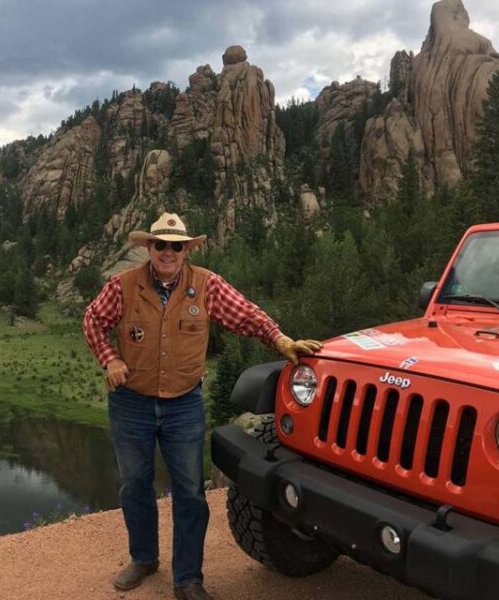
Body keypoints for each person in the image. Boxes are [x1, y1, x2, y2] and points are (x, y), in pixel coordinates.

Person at [82, 212, 323, 600]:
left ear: (186, 250)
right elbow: (93, 320)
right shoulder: (122, 286)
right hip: (131, 403)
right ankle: (144, 558)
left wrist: (280, 340)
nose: (169, 252)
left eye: (176, 246)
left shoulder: (207, 285)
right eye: (161, 244)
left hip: (183, 405)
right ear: (149, 248)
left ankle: (188, 579)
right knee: (135, 485)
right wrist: (110, 359)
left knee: (190, 492)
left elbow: (246, 316)